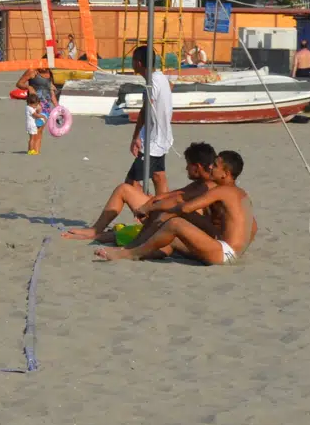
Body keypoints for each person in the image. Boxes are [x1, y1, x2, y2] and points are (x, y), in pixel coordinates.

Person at [97, 151, 255, 264]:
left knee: (175, 223)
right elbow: (253, 226)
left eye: (215, 165)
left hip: (224, 252)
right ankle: (143, 249)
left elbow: (185, 208)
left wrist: (163, 212)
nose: (211, 168)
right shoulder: (241, 194)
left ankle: (130, 253)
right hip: (231, 252)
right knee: (170, 237)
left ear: (225, 173)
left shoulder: (222, 190)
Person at [62, 142, 217, 243]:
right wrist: (150, 203)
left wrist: (151, 207)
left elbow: (181, 204)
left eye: (188, 165)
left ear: (196, 166)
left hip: (190, 231)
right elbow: (173, 194)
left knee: (153, 208)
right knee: (124, 189)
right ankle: (95, 230)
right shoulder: (200, 183)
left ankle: (98, 234)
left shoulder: (209, 187)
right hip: (175, 220)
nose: (186, 169)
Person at [126, 44, 173, 196]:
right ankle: (163, 213)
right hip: (162, 138)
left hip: (153, 142)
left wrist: (136, 137)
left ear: (139, 63)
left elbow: (146, 110)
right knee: (159, 177)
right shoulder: (161, 78)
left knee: (131, 183)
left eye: (133, 60)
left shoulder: (152, 83)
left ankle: (149, 210)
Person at [25, 91, 46, 156]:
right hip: (32, 125)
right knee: (32, 139)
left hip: (29, 124)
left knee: (31, 138)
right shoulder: (31, 109)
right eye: (35, 105)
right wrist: (43, 116)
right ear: (30, 103)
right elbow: (35, 115)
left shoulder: (27, 107)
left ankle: (29, 150)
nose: (35, 106)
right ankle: (31, 151)